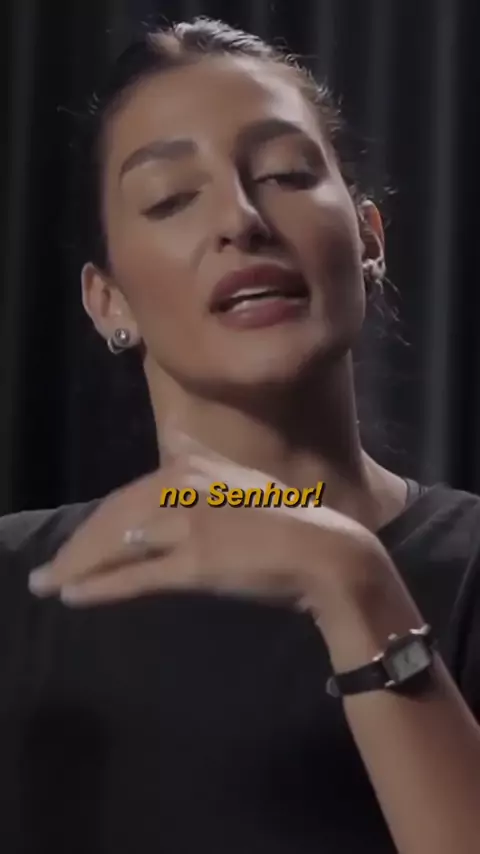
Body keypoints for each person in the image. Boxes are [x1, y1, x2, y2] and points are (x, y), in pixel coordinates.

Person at [1, 16, 479, 854]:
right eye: (170, 198)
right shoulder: (16, 586)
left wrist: (353, 584)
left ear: (369, 240)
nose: (240, 218)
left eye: (286, 174)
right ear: (108, 301)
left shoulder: (470, 566)